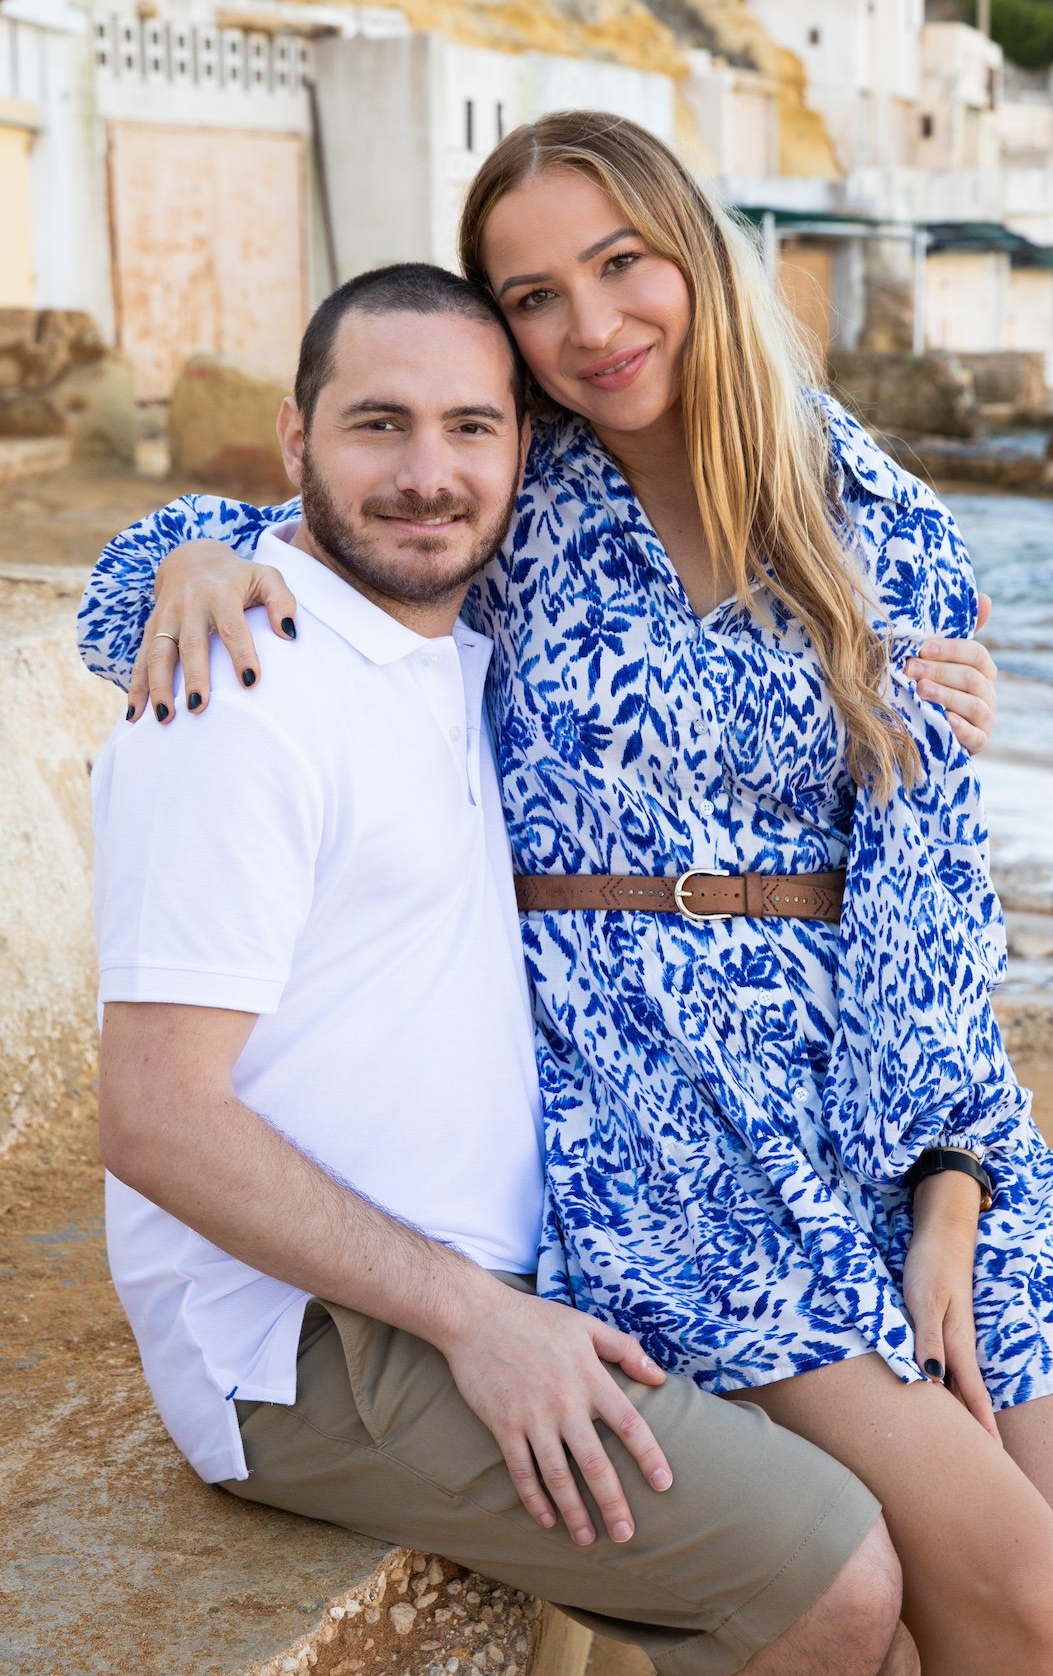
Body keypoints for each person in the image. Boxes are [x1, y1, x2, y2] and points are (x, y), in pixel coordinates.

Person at [78, 113, 1053, 1676]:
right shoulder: (518, 488)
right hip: (658, 1111)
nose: (590, 326)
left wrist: (949, 1177)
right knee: (1003, 1578)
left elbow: (930, 868)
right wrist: (184, 571)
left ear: (695, 255)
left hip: (896, 1088)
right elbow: (281, 525)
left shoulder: (865, 511)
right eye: (534, 296)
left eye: (619, 264)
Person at [91, 261, 905, 1676]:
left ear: (524, 452)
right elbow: (156, 1118)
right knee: (833, 1576)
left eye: (472, 427)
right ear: (295, 442)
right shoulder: (238, 692)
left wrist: (923, 674)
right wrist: (481, 1322)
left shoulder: (461, 651)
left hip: (513, 1261)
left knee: (906, 1482)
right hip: (308, 1344)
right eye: (378, 425)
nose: (427, 474)